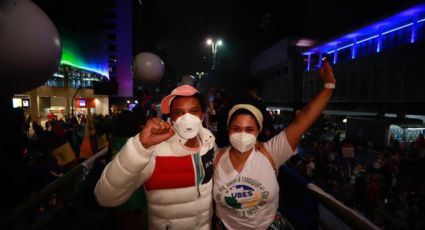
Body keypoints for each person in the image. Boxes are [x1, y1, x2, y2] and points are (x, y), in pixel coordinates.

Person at [213, 58, 336, 229]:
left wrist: (328, 85)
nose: (242, 134)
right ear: (228, 130)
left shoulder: (271, 152)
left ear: (258, 132)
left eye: (249, 129)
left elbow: (303, 120)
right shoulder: (215, 156)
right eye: (236, 128)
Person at [94, 84, 216, 229]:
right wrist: (139, 147)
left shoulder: (209, 143)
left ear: (202, 114)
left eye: (194, 111)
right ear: (171, 117)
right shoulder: (154, 151)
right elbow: (106, 197)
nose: (187, 118)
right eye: (179, 112)